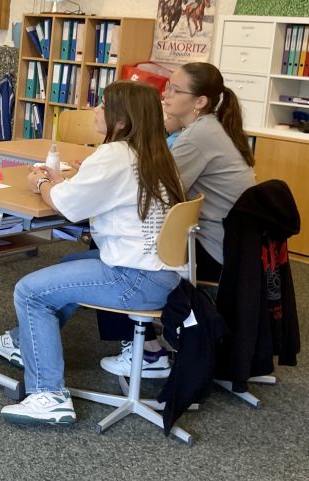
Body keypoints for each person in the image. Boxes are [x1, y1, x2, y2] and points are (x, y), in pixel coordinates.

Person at [0, 81, 185, 426]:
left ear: (123, 121)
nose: (97, 110)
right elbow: (99, 193)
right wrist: (64, 180)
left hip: (134, 279)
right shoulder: (157, 153)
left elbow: (67, 206)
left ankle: (48, 395)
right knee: (70, 264)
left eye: (103, 106)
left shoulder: (114, 154)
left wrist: (40, 184)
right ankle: (24, 342)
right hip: (162, 274)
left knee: (30, 292)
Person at [97, 61, 256, 376]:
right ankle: (145, 343)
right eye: (167, 86)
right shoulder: (203, 128)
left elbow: (155, 187)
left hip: (210, 250)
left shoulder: (199, 136)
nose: (165, 95)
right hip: (228, 245)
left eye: (175, 90)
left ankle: (148, 351)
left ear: (200, 102)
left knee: (115, 249)